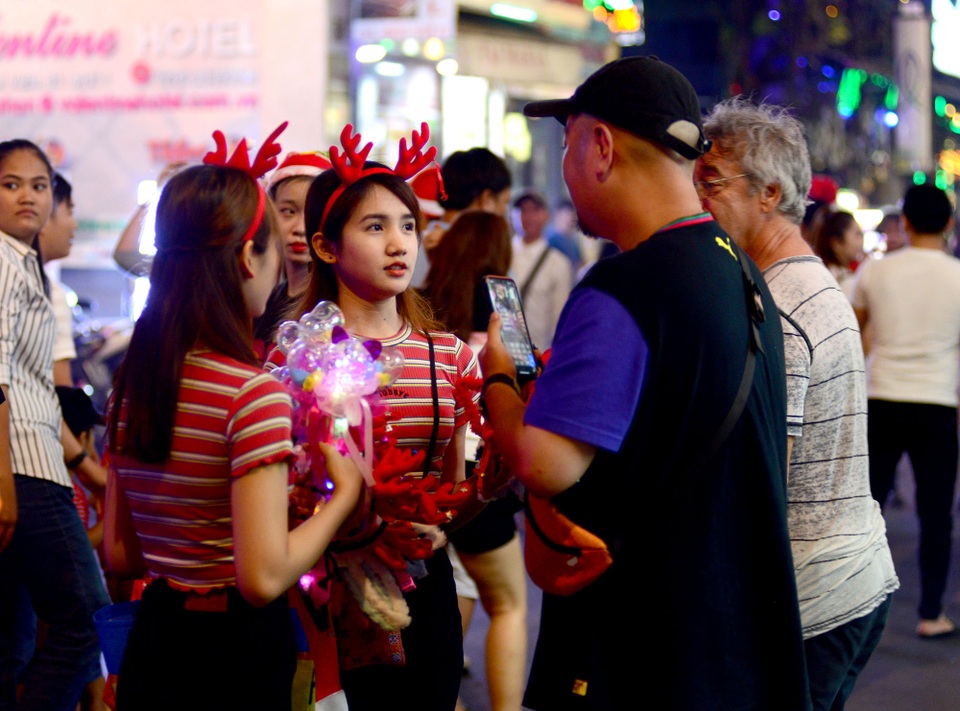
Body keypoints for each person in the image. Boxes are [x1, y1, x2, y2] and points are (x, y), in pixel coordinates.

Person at [480, 56, 808, 710]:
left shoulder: (626, 287)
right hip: (737, 645)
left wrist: (498, 378)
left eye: (569, 141)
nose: (566, 164)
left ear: (601, 147)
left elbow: (544, 463)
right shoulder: (741, 272)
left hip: (644, 650)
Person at [103, 151, 363, 709]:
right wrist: (343, 496)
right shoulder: (251, 395)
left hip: (157, 636)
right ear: (249, 257)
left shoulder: (135, 382)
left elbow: (121, 553)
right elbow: (263, 578)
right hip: (233, 650)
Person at [699, 97, 899, 709]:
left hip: (814, 595)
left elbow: (765, 476)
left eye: (711, 181)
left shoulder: (779, 307)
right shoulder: (805, 281)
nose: (696, 197)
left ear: (769, 193)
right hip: (850, 575)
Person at [296, 129, 481, 710]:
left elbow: (454, 493)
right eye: (375, 227)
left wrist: (469, 501)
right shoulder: (297, 358)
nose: (399, 243)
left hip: (425, 585)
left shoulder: (450, 357)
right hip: (325, 591)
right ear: (326, 247)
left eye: (407, 225)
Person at [0, 139, 112, 711]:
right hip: (21, 470)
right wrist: (3, 484)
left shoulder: (25, 264)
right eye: (11, 184)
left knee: (10, 638)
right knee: (86, 621)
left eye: (39, 185)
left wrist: (89, 471)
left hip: (32, 464)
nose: (28, 196)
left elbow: (37, 389)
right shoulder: (3, 263)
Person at [422, 210, 527, 711]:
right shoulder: (502, 313)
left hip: (430, 473)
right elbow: (521, 386)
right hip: (483, 475)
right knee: (509, 604)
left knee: (454, 591)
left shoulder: (421, 306)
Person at [852, 183, 960, 639]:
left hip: (881, 397)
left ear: (907, 223)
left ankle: (855, 609)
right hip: (937, 403)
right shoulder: (957, 276)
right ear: (949, 224)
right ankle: (931, 613)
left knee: (867, 507)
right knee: (936, 513)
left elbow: (854, 329)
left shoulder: (876, 271)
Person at [253, 151, 330, 358]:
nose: (300, 229)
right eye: (288, 211)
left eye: (312, 213)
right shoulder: (261, 302)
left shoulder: (334, 307)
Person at [410, 147, 512, 287]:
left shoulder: (411, 246)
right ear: (486, 199)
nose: (504, 211)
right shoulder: (487, 255)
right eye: (505, 201)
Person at [510, 190, 572, 350]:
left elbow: (559, 316)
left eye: (535, 210)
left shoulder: (558, 263)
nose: (528, 216)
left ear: (546, 215)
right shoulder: (502, 255)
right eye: (522, 210)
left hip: (539, 351)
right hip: (502, 351)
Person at [810, 208, 863, 299]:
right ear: (836, 243)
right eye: (857, 234)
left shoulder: (820, 273)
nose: (861, 241)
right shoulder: (846, 283)